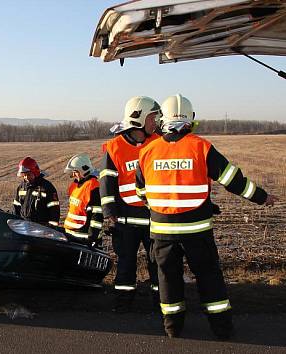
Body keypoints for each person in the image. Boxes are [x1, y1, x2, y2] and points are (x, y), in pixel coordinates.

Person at [136, 94, 278, 339]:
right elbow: (233, 180)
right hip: (196, 232)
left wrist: (165, 205)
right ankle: (222, 329)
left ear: (162, 119)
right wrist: (262, 197)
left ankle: (173, 328)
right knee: (209, 277)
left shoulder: (147, 151)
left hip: (161, 232)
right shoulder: (201, 147)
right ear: (190, 119)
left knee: (168, 279)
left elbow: (141, 192)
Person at [99, 96, 161, 312]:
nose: (156, 122)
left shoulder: (159, 142)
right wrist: (109, 212)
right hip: (125, 222)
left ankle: (161, 304)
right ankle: (123, 305)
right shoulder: (114, 147)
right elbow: (106, 181)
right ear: (139, 118)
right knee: (126, 266)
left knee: (158, 265)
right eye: (153, 117)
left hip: (155, 219)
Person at [63, 154, 103, 246]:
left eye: (75, 172)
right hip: (70, 233)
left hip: (84, 237)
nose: (73, 175)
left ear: (84, 170)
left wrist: (92, 237)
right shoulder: (74, 186)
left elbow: (97, 215)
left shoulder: (93, 187)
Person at [13, 157, 60, 228]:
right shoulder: (21, 187)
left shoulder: (46, 187)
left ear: (35, 172)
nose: (26, 177)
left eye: (28, 174)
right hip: (24, 226)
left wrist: (52, 228)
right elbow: (16, 207)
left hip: (41, 227)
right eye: (23, 175)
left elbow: (54, 209)